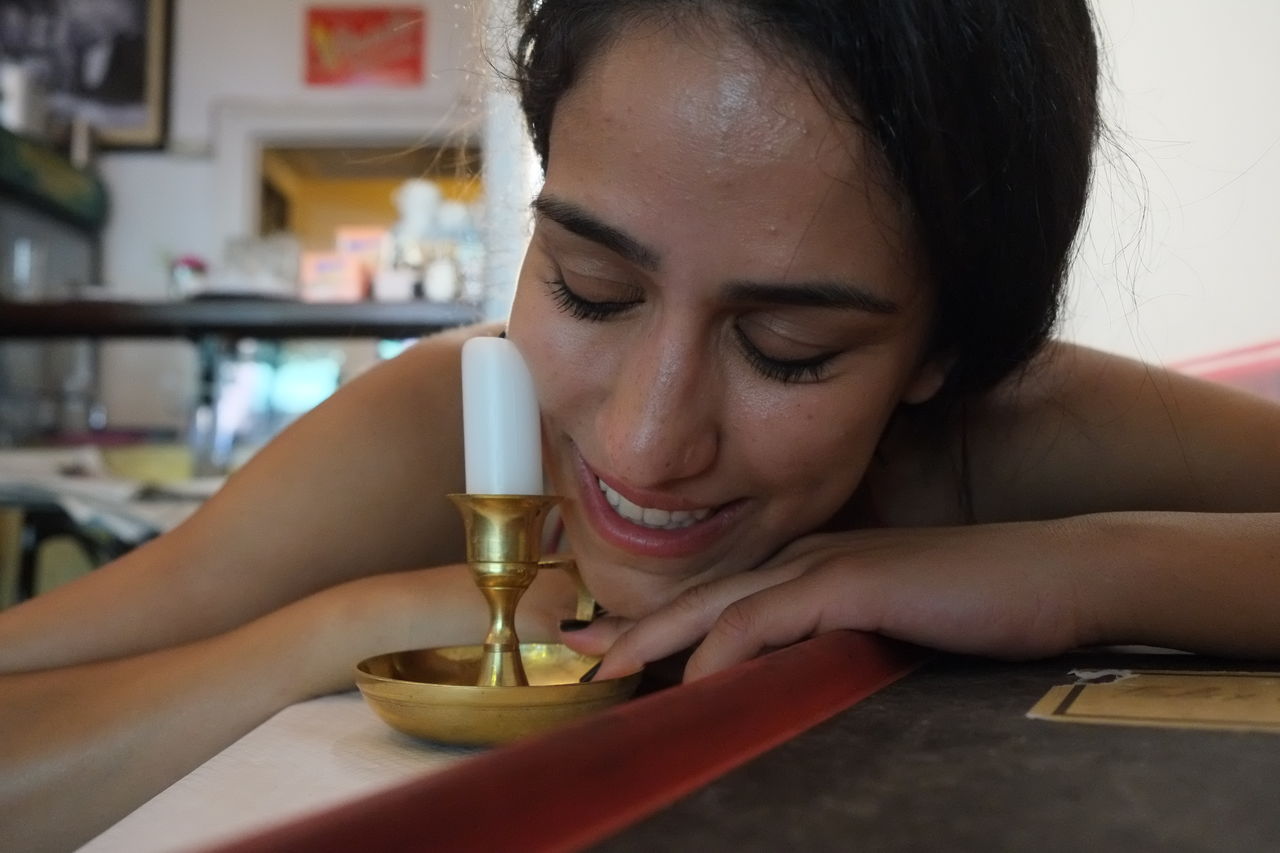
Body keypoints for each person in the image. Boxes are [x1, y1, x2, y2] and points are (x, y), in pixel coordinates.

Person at [4, 0, 1280, 848]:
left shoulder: (991, 436)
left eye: (789, 352)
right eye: (588, 288)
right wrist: (339, 626)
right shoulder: (436, 429)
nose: (644, 438)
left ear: (940, 352)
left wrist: (1059, 569)